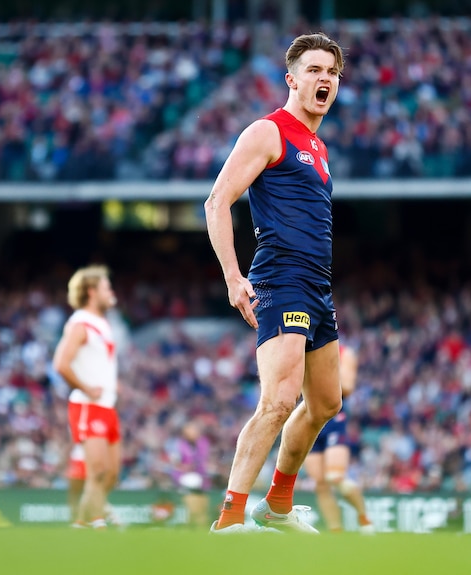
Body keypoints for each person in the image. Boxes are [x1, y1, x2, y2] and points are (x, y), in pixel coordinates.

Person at [204, 32, 345, 534]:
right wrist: (233, 277)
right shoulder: (268, 132)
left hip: (317, 285)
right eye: (314, 70)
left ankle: (278, 505)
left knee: (327, 401)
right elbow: (216, 202)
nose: (324, 79)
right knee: (280, 399)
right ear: (292, 79)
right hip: (281, 278)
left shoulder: (319, 146)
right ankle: (229, 518)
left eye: (331, 72)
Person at [52, 265, 120, 530]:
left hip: (106, 405)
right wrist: (87, 388)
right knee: (98, 471)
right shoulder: (81, 323)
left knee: (111, 473)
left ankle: (81, 522)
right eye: (106, 287)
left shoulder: (101, 323)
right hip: (89, 406)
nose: (111, 292)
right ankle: (96, 521)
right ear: (91, 292)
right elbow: (61, 364)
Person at [303, 344, 373, 533]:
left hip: (333, 418)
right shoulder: (299, 350)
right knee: (320, 483)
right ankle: (336, 531)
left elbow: (347, 387)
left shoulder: (344, 352)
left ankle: (364, 518)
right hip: (307, 416)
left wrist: (316, 376)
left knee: (335, 476)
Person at [170, 421, 211, 529]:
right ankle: (192, 518)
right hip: (184, 476)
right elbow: (176, 463)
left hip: (201, 476)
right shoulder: (179, 444)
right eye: (191, 430)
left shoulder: (203, 442)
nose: (194, 432)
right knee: (191, 482)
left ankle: (201, 518)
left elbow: (204, 459)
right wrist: (185, 467)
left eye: (195, 430)